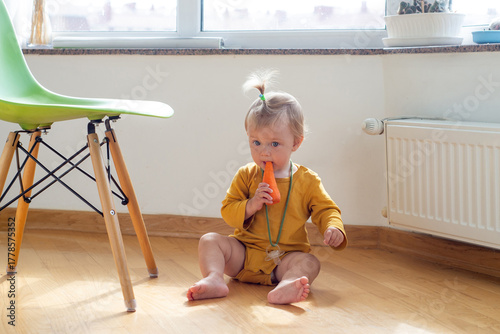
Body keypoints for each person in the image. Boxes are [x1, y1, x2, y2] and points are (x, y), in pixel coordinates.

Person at [187, 70, 347, 304]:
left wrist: (334, 228)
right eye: (256, 142)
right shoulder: (246, 175)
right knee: (209, 240)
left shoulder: (307, 180)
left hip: (283, 260)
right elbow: (228, 210)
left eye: (274, 143)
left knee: (310, 262)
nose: (264, 151)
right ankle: (214, 279)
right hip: (243, 256)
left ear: (296, 143)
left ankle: (287, 284)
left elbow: (326, 210)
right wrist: (251, 205)